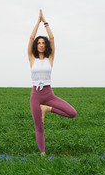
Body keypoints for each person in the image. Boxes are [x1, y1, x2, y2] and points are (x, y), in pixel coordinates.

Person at [27, 9, 77, 157]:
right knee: (39, 127)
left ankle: (46, 109)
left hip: (49, 94)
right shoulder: (31, 59)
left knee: (72, 113)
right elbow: (30, 38)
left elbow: (53, 39)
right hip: (36, 95)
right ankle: (43, 156)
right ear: (36, 45)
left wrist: (45, 22)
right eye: (39, 43)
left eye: (43, 43)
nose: (41, 45)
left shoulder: (50, 58)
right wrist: (37, 22)